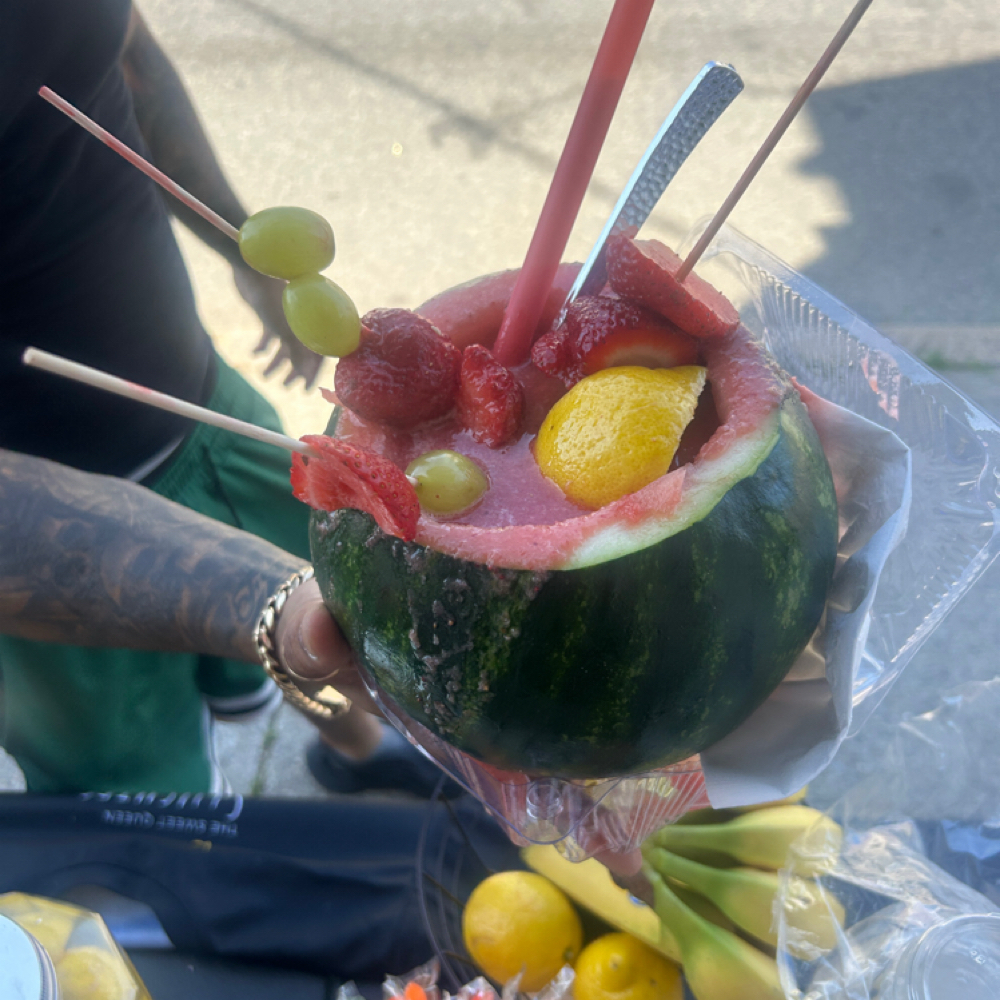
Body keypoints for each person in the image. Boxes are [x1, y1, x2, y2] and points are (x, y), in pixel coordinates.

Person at [0, 0, 436, 795]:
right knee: (146, 817)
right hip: (41, 547)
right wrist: (267, 604)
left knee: (333, 637)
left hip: (203, 407)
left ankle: (358, 756)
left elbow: (116, 49)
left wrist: (243, 243)